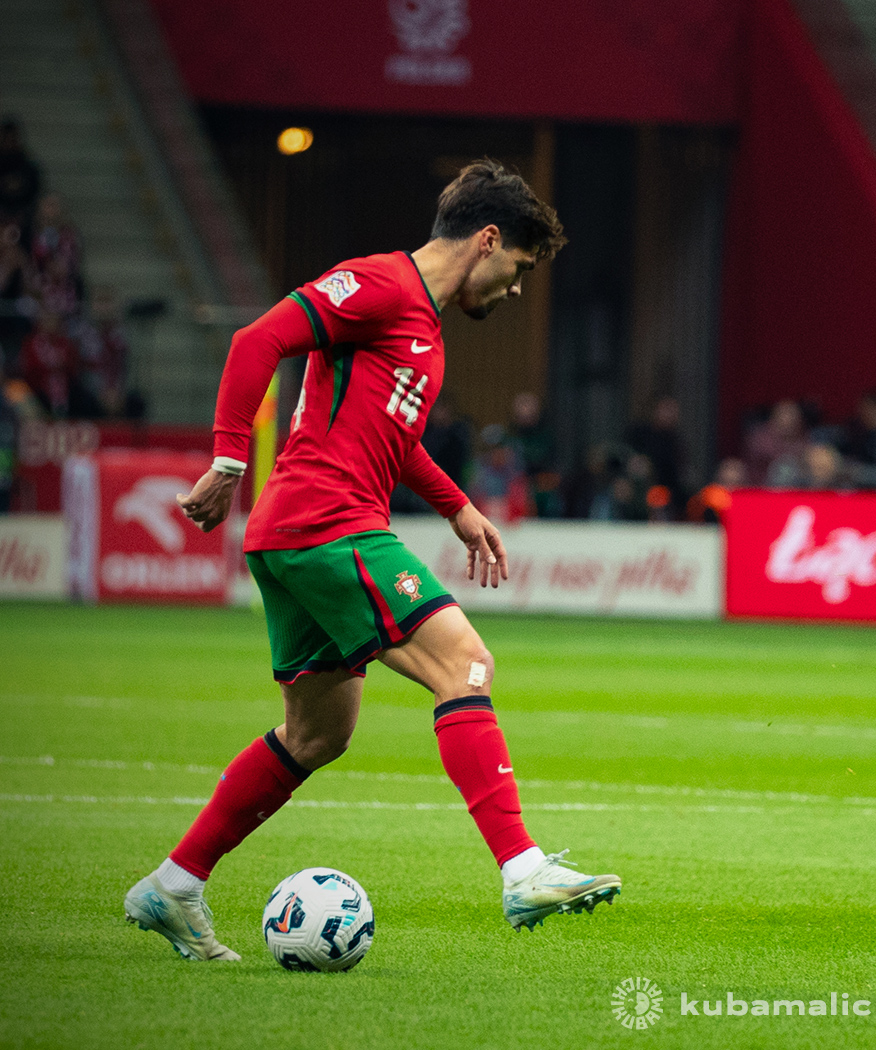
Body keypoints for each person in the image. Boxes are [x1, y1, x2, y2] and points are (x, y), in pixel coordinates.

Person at [123, 160, 620, 963]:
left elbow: (394, 437)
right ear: (487, 240)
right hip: (327, 524)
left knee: (318, 734)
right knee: (465, 664)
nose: (519, 289)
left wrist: (456, 504)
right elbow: (260, 340)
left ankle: (173, 885)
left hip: (300, 535)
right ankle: (522, 869)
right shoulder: (379, 285)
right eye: (520, 269)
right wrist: (226, 460)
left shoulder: (420, 323)